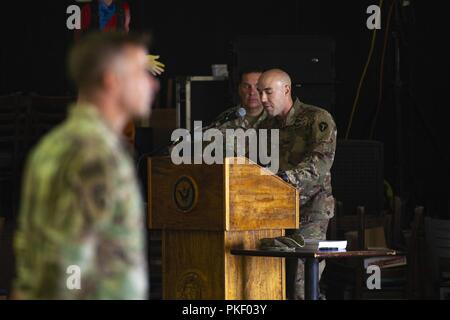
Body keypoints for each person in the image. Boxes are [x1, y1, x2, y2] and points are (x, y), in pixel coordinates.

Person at [13, 32, 159, 299]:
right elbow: (67, 264)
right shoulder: (93, 154)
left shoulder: (58, 143)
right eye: (141, 72)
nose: (153, 84)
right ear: (112, 81)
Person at [257, 69, 337, 300]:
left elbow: (320, 165)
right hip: (274, 210)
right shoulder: (265, 127)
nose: (262, 99)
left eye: (268, 92)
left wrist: (281, 180)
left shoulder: (317, 118)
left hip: (311, 209)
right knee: (268, 279)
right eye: (260, 92)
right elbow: (256, 166)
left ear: (286, 90)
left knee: (302, 284)